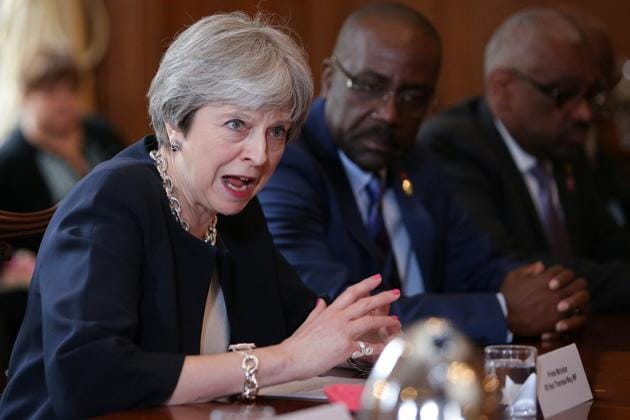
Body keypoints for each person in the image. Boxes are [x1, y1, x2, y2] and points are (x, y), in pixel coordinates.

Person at [0, 12, 401, 419]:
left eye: (276, 131)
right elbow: (88, 378)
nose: (260, 156)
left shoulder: (234, 210)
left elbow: (302, 327)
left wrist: (361, 348)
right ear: (176, 122)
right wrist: (284, 360)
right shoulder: (110, 202)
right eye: (236, 124)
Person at [258, 2, 588, 346]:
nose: (389, 113)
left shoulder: (418, 161)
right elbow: (336, 307)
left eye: (413, 97)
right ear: (328, 79)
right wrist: (503, 310)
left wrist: (553, 294)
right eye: (369, 85)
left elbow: (476, 267)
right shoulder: (287, 162)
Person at [418, 7, 630, 312]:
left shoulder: (562, 145)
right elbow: (509, 271)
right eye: (563, 94)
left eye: (590, 95)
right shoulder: (452, 146)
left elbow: (607, 244)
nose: (584, 113)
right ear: (502, 88)